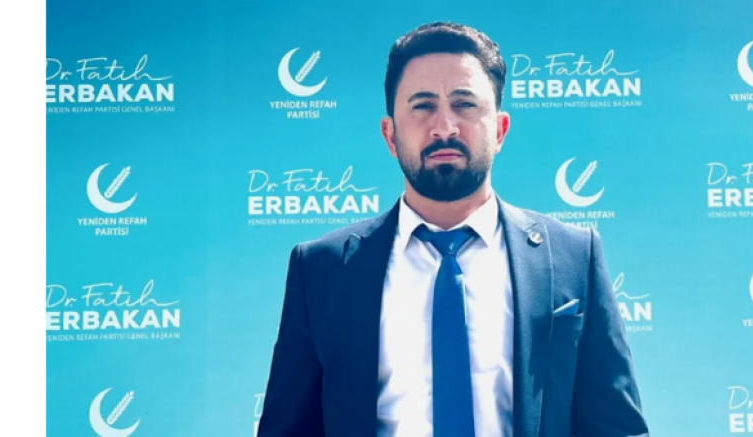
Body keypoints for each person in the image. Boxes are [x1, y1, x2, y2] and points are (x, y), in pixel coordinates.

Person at [257, 21, 649, 437]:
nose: (444, 127)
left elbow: (618, 430)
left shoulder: (574, 257)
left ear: (500, 129)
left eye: (464, 104)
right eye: (422, 106)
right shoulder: (322, 269)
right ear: (390, 135)